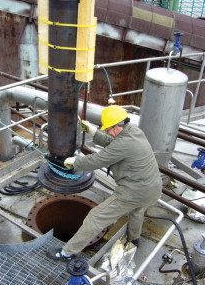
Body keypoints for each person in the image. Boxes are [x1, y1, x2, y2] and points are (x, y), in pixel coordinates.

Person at [46, 105, 162, 261]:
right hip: (153, 189)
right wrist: (94, 132)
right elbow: (113, 143)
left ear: (117, 126)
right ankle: (134, 240)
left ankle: (67, 252)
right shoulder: (134, 131)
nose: (107, 132)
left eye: (108, 129)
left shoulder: (123, 144)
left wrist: (74, 162)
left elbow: (97, 160)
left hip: (134, 192)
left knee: (95, 217)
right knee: (136, 212)